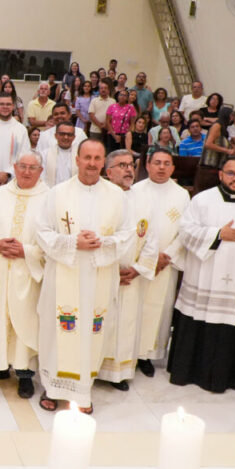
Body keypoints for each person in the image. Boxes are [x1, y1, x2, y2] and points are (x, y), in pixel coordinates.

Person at [36, 139, 132, 413]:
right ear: (77, 160)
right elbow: (41, 231)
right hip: (63, 272)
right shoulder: (57, 193)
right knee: (59, 328)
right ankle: (53, 388)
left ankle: (83, 391)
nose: (91, 163)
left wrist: (100, 242)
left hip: (98, 274)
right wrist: (72, 242)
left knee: (92, 330)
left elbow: (127, 234)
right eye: (87, 157)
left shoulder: (117, 196)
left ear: (104, 163)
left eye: (97, 158)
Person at [167, 156, 235, 393]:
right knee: (200, 320)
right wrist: (218, 234)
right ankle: (190, 372)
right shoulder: (202, 200)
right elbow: (185, 231)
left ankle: (230, 375)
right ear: (220, 174)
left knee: (233, 326)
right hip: (205, 275)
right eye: (230, 173)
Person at [0, 152, 49, 398]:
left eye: (32, 168)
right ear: (14, 168)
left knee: (25, 321)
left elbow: (52, 238)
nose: (26, 172)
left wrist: (26, 251)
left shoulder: (49, 199)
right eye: (22, 166)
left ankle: (25, 374)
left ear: (41, 171)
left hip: (26, 272)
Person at [129, 148, 191, 376]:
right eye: (157, 162)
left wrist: (167, 256)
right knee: (135, 307)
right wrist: (145, 259)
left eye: (167, 163)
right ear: (147, 164)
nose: (162, 167)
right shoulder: (135, 191)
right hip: (138, 263)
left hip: (166, 263)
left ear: (173, 168)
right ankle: (129, 352)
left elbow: (185, 231)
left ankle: (147, 355)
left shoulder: (182, 195)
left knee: (159, 309)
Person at [98, 149, 151, 390]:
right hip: (103, 274)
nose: (129, 169)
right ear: (108, 172)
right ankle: (94, 368)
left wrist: (138, 268)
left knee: (126, 324)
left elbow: (152, 238)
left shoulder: (143, 199)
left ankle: (118, 373)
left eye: (131, 165)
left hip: (131, 277)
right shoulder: (100, 198)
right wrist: (110, 269)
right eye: (122, 165)